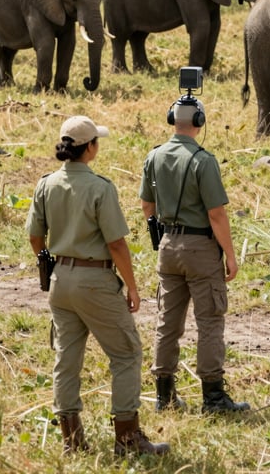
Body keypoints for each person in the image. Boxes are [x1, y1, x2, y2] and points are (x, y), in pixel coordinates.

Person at [26, 115, 169, 457]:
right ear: (89, 147)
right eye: (96, 142)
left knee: (67, 359)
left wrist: (48, 260)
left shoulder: (46, 184)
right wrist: (133, 288)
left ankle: (71, 442)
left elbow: (35, 236)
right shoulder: (100, 187)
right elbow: (117, 244)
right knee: (126, 353)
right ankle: (128, 440)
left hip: (60, 279)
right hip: (95, 280)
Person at [139, 93, 249, 414]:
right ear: (199, 123)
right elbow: (216, 214)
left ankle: (164, 396)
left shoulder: (154, 156)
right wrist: (229, 254)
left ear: (172, 119)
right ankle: (214, 398)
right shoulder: (203, 160)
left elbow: (147, 206)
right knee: (210, 321)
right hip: (200, 249)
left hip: (168, 246)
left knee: (167, 322)